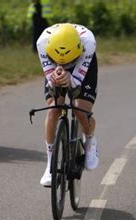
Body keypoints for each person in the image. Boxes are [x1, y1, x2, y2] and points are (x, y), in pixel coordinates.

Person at [37, 23, 99, 186]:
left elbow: (77, 82)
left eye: (68, 61)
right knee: (53, 109)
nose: (65, 64)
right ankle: (50, 163)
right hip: (54, 66)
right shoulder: (42, 42)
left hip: (82, 68)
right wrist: (55, 78)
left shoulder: (88, 43)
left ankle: (90, 140)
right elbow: (51, 79)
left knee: (80, 110)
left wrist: (70, 78)